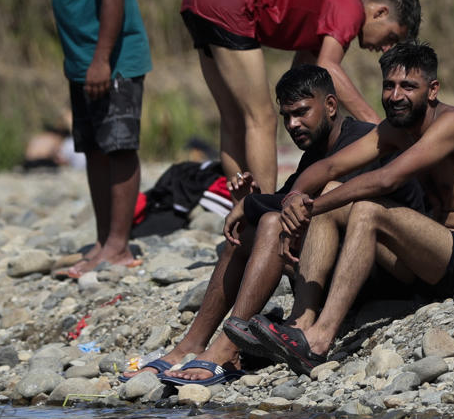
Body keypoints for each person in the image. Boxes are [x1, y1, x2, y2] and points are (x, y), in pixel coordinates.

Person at [253, 41, 454, 372]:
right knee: (335, 190)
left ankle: (320, 341)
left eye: (408, 86)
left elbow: (384, 180)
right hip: (429, 261)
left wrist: (310, 208)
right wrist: (294, 197)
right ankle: (300, 323)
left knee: (366, 208)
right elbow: (330, 168)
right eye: (389, 86)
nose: (395, 96)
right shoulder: (396, 130)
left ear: (432, 90)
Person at [152, 65, 386, 387]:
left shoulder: (359, 141)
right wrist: (250, 200)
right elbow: (286, 200)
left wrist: (252, 206)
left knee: (271, 222)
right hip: (329, 261)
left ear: (331, 106)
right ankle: (192, 343)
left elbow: (308, 207)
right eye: (286, 116)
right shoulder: (315, 151)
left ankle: (227, 347)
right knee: (253, 227)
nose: (293, 124)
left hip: (372, 269)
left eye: (302, 112)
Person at [181, 0, 421, 192]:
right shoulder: (350, 6)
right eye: (392, 37)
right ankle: (264, 214)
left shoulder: (327, 14)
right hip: (228, 0)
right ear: (380, 12)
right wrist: (379, 128)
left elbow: (297, 89)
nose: (386, 49)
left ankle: (240, 215)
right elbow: (328, 65)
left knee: (235, 119)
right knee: (261, 119)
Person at [24, 0, 153, 278]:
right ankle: (102, 241)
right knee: (94, 149)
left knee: (119, 148)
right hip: (81, 62)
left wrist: (101, 59)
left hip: (112, 60)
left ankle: (119, 245)